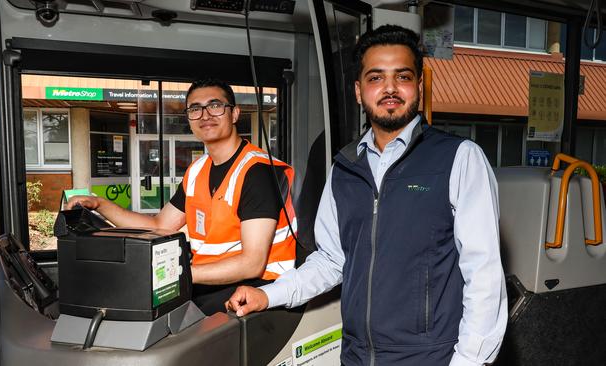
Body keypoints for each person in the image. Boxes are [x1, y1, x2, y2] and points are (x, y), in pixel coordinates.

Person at [226, 25, 507, 366]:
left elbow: (484, 276)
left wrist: (469, 361)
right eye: (376, 78)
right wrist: (266, 295)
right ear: (359, 91)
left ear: (418, 86)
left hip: (431, 357)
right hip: (357, 356)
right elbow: (330, 261)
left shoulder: (460, 158)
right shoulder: (344, 168)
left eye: (402, 76)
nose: (389, 88)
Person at [67, 79, 297, 315]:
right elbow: (158, 225)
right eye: (195, 109)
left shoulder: (257, 171)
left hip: (259, 291)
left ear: (235, 114)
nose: (205, 115)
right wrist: (100, 204)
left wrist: (175, 273)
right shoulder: (197, 171)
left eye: (215, 105)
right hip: (212, 282)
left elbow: (252, 263)